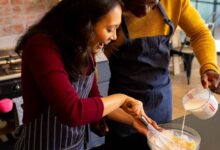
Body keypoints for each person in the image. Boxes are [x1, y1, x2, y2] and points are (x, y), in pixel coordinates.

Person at [13, 0, 159, 149]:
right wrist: (121, 98)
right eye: (110, 29)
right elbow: (72, 111)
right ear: (85, 23)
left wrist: (133, 120)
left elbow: (95, 100)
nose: (114, 37)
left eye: (116, 29)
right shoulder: (41, 47)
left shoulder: (84, 50)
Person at [104, 0, 220, 149]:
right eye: (139, 3)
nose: (145, 11)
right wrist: (98, 107)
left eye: (152, 4)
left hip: (161, 100)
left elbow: (199, 33)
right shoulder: (107, 6)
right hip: (121, 108)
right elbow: (89, 56)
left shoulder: (174, 2)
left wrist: (209, 67)